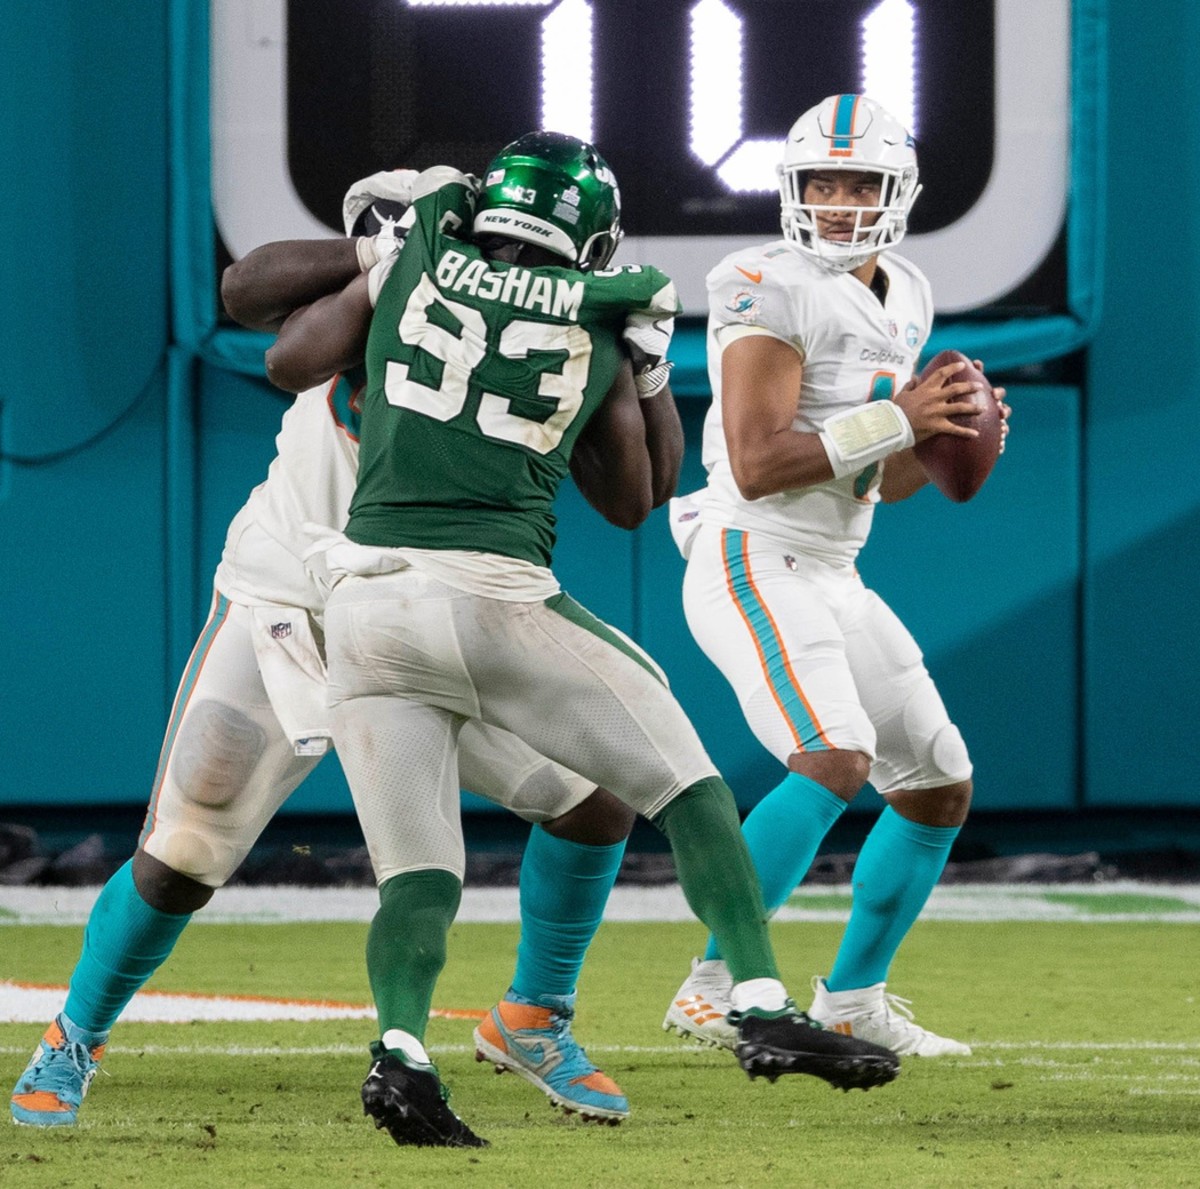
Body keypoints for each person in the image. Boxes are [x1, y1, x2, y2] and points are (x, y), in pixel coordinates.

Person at [264, 131, 902, 1149]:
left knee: (418, 871)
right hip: (491, 592)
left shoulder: (419, 250)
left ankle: (402, 1048)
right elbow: (639, 495)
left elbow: (278, 352)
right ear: (590, 236)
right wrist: (646, 372)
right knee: (687, 788)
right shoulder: (608, 308)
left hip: (363, 603)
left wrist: (386, 262)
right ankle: (756, 997)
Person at [9, 172, 637, 1132]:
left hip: (432, 616)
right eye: (504, 244)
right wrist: (384, 255)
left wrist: (634, 362)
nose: (514, 265)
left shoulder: (553, 336)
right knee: (183, 853)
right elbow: (256, 304)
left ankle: (533, 1015)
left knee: (595, 798)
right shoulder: (398, 272)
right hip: (293, 607)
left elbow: (631, 490)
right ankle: (73, 1036)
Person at [662, 94, 1010, 1058]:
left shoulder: (907, 289)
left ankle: (853, 996)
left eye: (861, 182)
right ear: (793, 188)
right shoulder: (760, 278)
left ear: (899, 192)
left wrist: (943, 437)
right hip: (750, 552)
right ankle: (717, 983)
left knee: (938, 782)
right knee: (833, 755)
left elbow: (884, 483)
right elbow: (761, 458)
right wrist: (905, 416)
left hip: (833, 566)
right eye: (823, 181)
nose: (840, 201)